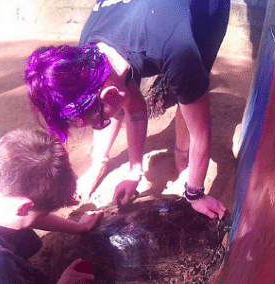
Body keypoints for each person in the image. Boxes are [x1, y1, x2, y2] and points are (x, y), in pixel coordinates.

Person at [24, 0, 229, 220]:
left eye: (99, 123)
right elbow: (133, 106)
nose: (100, 126)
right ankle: (101, 165)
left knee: (188, 94)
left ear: (110, 94)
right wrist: (134, 171)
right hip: (147, 18)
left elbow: (201, 132)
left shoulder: (176, 49)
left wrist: (195, 194)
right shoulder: (89, 54)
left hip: (204, 9)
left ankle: (182, 157)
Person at [0, 129, 102, 284]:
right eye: (41, 214)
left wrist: (79, 226)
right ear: (24, 207)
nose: (41, 217)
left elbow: (25, 212)